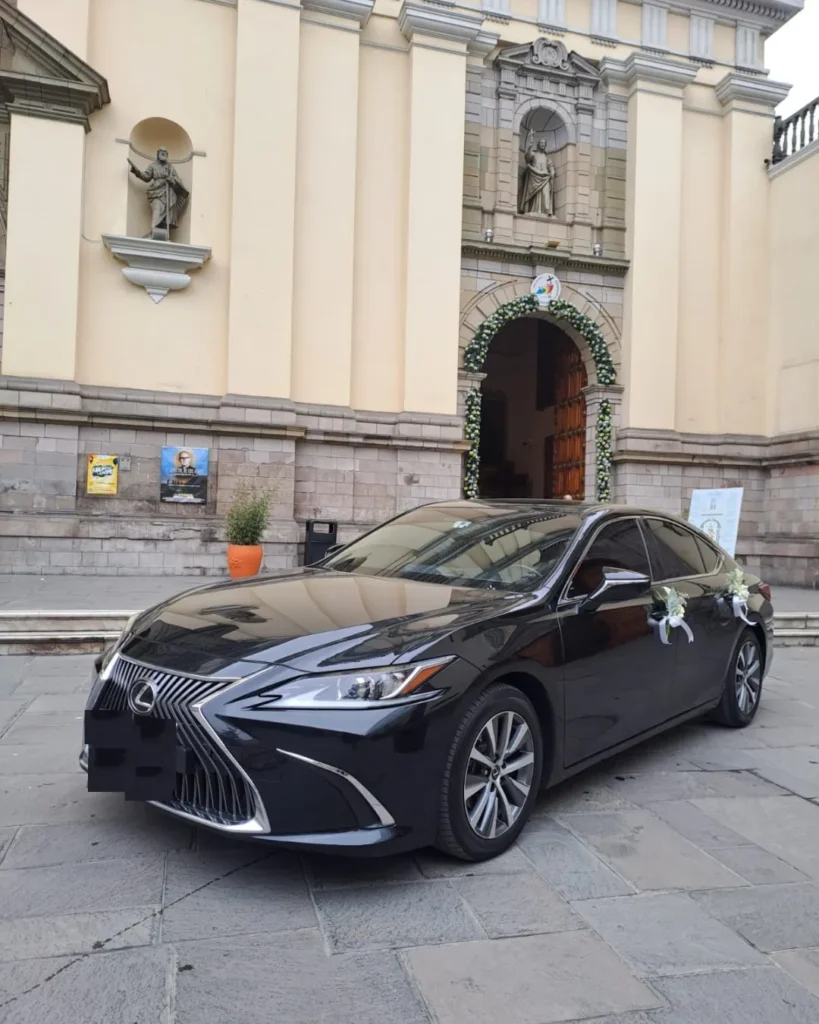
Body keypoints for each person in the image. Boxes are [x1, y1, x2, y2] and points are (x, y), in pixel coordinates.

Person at [128, 148, 189, 239]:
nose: (163, 154)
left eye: (165, 152)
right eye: (162, 152)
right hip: (156, 191)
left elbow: (177, 180)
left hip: (167, 192)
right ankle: (154, 230)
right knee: (157, 209)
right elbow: (146, 177)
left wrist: (171, 180)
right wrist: (137, 172)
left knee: (166, 213)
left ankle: (162, 232)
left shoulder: (170, 167)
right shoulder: (153, 166)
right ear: (158, 154)